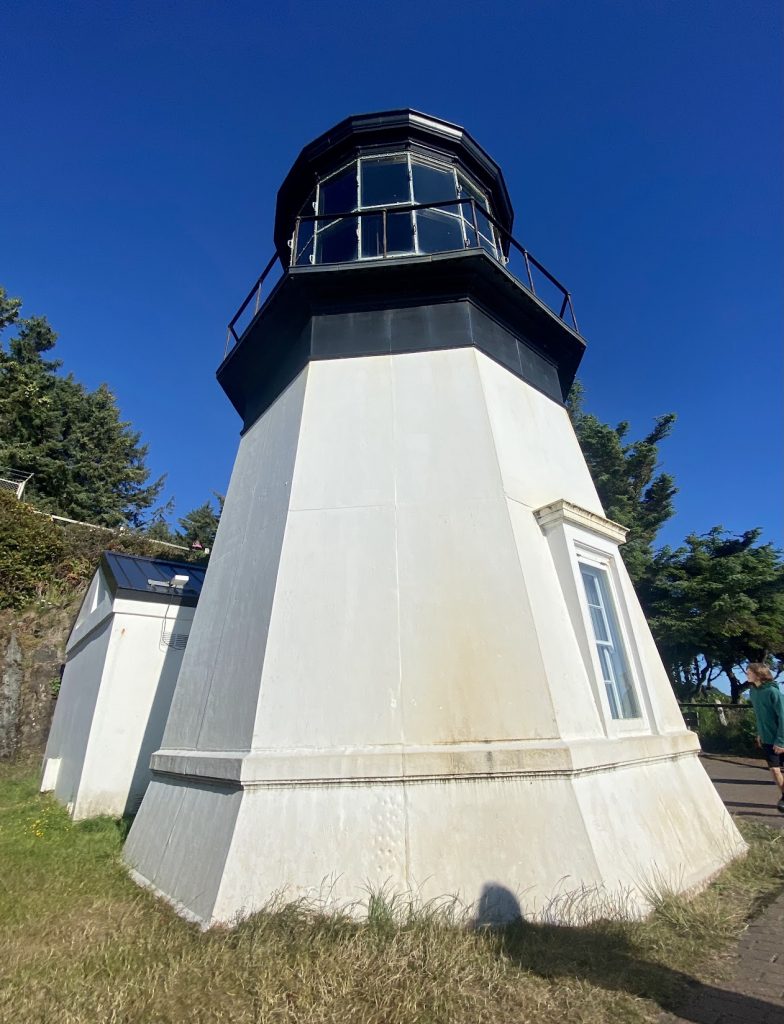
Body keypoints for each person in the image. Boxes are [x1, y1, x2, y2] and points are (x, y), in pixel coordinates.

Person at [746, 662, 784, 813]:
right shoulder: (753, 692)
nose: (747, 674)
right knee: (775, 770)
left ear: (759, 674)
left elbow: (783, 717)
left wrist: (781, 741)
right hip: (767, 739)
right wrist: (760, 734)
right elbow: (760, 716)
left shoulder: (773, 693)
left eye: (749, 672)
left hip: (781, 738)